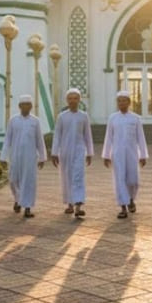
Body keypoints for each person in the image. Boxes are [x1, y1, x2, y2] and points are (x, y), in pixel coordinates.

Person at [102, 89, 149, 219]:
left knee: (133, 180)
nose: (121, 103)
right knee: (119, 179)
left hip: (132, 153)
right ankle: (123, 206)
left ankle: (131, 199)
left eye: (124, 101)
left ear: (129, 102)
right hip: (117, 153)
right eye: (119, 101)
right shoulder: (113, 118)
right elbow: (109, 137)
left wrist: (143, 155)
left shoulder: (135, 118)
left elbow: (141, 137)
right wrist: (106, 155)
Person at [1, 94, 47, 218]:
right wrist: (3, 157)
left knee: (28, 182)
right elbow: (7, 140)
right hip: (15, 156)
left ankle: (27, 207)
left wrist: (42, 157)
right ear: (19, 106)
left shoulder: (35, 121)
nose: (26, 107)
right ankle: (17, 199)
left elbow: (39, 140)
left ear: (31, 106)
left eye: (28, 104)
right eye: (23, 105)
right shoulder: (13, 120)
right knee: (13, 180)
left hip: (30, 157)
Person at [51, 88, 93, 218]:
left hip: (79, 150)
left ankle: (78, 204)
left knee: (78, 176)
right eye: (70, 98)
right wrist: (54, 152)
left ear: (79, 100)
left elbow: (87, 135)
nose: (73, 101)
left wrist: (90, 152)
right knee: (67, 176)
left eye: (75, 98)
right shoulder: (62, 117)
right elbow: (57, 135)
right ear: (67, 100)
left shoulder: (84, 116)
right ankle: (69, 203)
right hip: (65, 150)